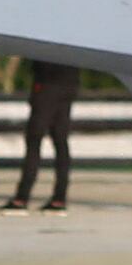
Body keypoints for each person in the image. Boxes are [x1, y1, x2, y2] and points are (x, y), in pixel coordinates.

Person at [15, 57, 83, 210]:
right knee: (60, 141)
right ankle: (60, 196)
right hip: (68, 83)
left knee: (34, 139)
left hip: (47, 83)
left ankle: (22, 196)